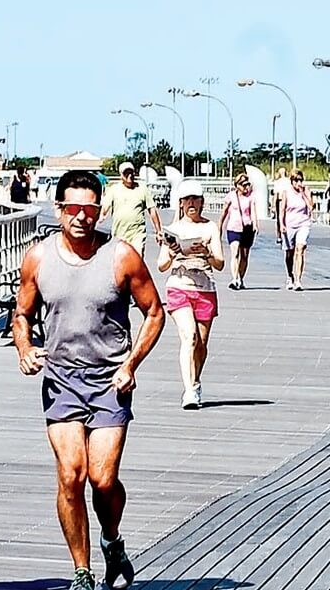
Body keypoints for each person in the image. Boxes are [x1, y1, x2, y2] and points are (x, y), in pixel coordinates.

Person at [14, 170, 166, 590]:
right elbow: (21, 313)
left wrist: (132, 363)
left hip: (109, 381)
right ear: (58, 208)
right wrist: (24, 347)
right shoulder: (39, 258)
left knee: (103, 480)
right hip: (61, 379)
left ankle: (112, 541)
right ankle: (81, 570)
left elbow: (154, 312)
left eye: (90, 209)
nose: (81, 217)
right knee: (71, 475)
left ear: (101, 210)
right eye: (72, 208)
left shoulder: (121, 257)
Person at [159, 178, 225, 408]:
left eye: (195, 199)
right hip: (179, 285)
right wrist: (172, 251)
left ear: (202, 202)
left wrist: (206, 252)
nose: (191, 203)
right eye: (187, 199)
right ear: (180, 203)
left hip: (205, 288)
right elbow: (161, 265)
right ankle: (189, 391)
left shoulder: (210, 227)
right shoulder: (173, 230)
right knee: (189, 336)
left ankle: (195, 381)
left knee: (201, 344)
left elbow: (220, 263)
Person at [103, 160, 162, 252]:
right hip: (119, 235)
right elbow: (104, 208)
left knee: (136, 261)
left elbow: (152, 210)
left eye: (131, 172)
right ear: (121, 175)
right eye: (126, 173)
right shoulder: (114, 189)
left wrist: (158, 231)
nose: (129, 175)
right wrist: (101, 216)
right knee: (121, 263)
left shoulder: (142, 189)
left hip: (137, 234)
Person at [220, 171, 257, 290]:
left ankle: (241, 278)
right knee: (235, 252)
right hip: (233, 228)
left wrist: (255, 224)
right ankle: (234, 278)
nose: (246, 187)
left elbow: (253, 211)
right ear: (237, 185)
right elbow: (225, 211)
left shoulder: (251, 196)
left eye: (247, 184)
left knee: (244, 256)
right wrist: (220, 224)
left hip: (247, 228)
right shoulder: (231, 196)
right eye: (243, 185)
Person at [280, 169, 313, 289]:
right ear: (292, 181)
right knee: (289, 253)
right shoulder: (286, 192)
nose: (298, 182)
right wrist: (281, 224)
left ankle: (298, 280)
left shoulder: (306, 191)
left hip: (303, 224)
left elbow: (311, 206)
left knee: (300, 249)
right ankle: (290, 275)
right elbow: (282, 209)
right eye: (296, 180)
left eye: (300, 180)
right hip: (289, 225)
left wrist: (303, 194)